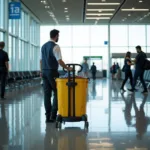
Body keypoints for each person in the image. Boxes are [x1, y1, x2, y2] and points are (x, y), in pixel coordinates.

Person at [40, 29, 72, 123]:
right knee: (57, 92)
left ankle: (47, 116)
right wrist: (67, 68)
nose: (59, 37)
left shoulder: (43, 46)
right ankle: (53, 116)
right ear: (56, 36)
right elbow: (59, 61)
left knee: (47, 94)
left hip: (44, 72)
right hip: (52, 72)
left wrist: (41, 71)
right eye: (58, 36)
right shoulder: (56, 46)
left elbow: (41, 61)